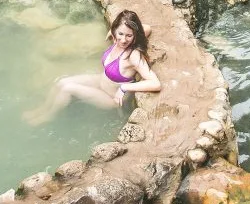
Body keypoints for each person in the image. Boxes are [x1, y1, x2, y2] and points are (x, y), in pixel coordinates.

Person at [23, 9, 161, 125]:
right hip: (101, 81)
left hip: (110, 98)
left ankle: (48, 117)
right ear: (114, 30)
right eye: (121, 33)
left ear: (135, 35)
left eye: (129, 35)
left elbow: (155, 84)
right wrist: (117, 32)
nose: (124, 40)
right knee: (61, 82)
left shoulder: (133, 56)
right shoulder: (116, 39)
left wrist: (125, 87)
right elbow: (146, 28)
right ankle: (42, 109)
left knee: (68, 89)